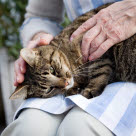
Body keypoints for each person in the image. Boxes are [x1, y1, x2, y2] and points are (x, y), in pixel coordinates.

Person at [2, 0, 136, 136]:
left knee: (78, 128)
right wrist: (39, 40)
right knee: (28, 129)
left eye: (53, 72)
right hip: (70, 60)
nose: (63, 83)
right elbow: (39, 16)